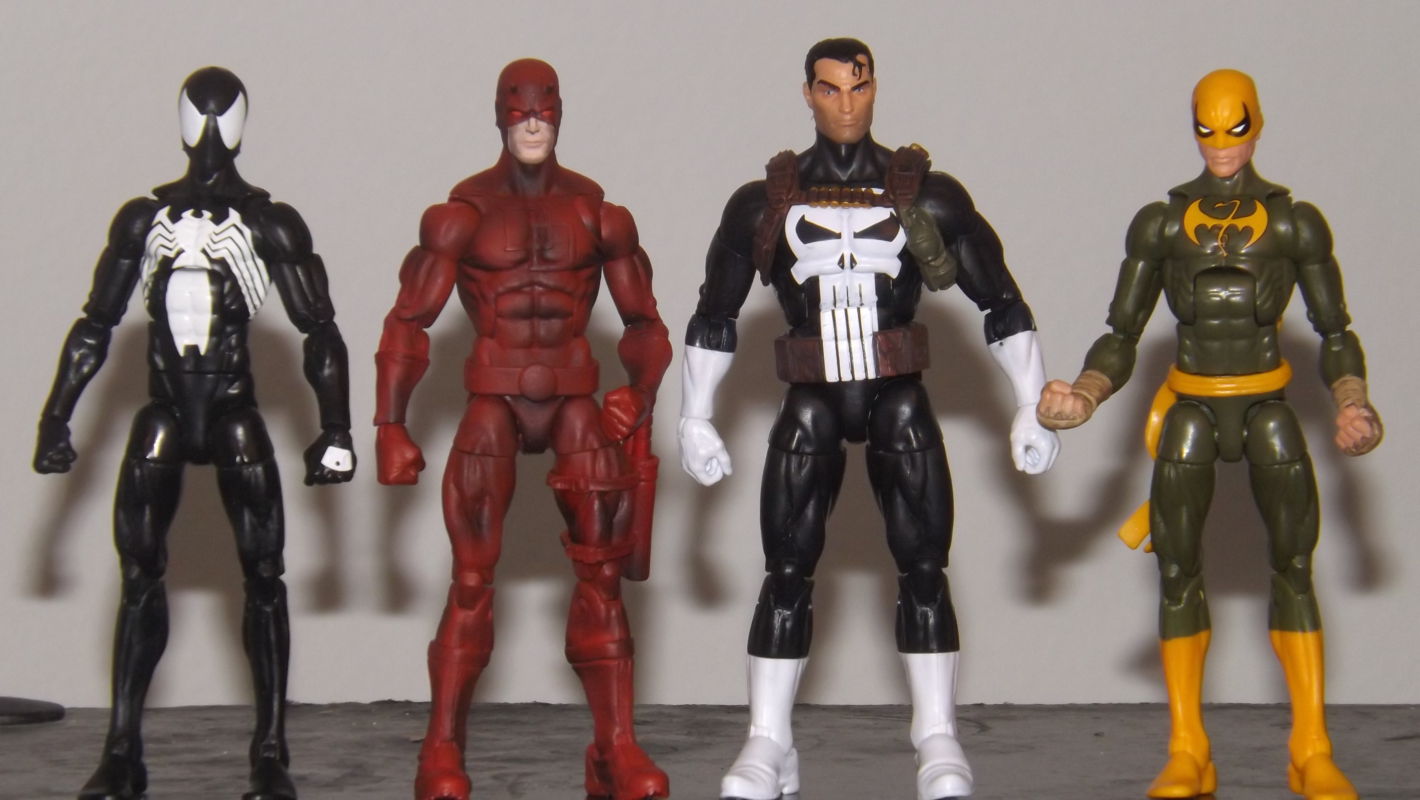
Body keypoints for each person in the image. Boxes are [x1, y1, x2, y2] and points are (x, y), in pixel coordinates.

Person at [679, 37, 1058, 800]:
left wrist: (1029, 403)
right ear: (808, 94)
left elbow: (1001, 301)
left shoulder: (926, 195)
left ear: (875, 88)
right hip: (812, 398)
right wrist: (695, 414)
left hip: (897, 395)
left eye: (858, 87)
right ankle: (769, 740)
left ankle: (936, 734)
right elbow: (715, 312)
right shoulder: (765, 203)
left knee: (923, 567)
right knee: (786, 571)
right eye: (830, 89)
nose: (845, 103)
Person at [1037, 68, 1380, 800]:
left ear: (1257, 123)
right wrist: (1086, 392)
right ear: (1193, 127)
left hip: (1266, 404)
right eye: (1208, 128)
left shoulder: (1294, 223)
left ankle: (1311, 747)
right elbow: (1122, 333)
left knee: (1294, 566)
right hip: (1191, 407)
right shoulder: (1161, 225)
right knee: (1176, 572)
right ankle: (1188, 749)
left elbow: (1334, 331)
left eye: (1236, 126)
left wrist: (1352, 400)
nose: (1222, 143)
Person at [33, 66, 356, 800]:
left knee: (264, 575)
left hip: (235, 406)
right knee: (139, 574)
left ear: (238, 123)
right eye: (198, 114)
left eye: (220, 115)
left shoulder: (270, 222)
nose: (209, 130)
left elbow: (320, 330)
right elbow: (96, 324)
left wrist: (335, 428)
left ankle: (269, 749)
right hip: (166, 408)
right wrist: (57, 415)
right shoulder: (143, 219)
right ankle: (122, 748)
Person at [374, 58, 672, 800]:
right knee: (472, 578)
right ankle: (441, 750)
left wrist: (639, 393)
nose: (533, 122)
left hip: (575, 399)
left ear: (561, 113)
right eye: (520, 110)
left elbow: (645, 324)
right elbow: (408, 321)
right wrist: (390, 424)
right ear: (500, 116)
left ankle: (615, 748)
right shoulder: (463, 212)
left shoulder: (598, 213)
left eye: (544, 109)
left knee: (603, 577)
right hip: (494, 398)